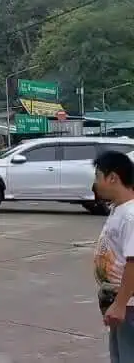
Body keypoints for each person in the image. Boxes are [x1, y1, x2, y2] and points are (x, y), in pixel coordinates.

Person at [92, 150, 134, 362]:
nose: (95, 184)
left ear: (113, 178)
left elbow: (133, 262)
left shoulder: (131, 215)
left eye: (98, 177)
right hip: (119, 300)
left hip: (129, 304)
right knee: (120, 355)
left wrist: (120, 303)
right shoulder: (118, 209)